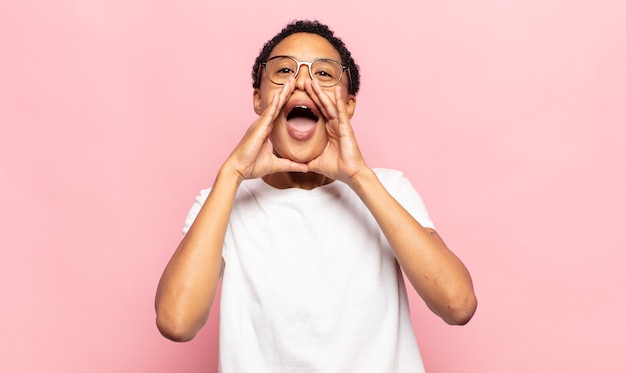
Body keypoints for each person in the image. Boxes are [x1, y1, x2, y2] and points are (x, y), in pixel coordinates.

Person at [155, 19, 477, 372]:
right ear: (258, 99)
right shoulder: (220, 202)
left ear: (349, 104)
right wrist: (231, 173)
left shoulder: (389, 188)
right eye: (284, 70)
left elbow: (457, 305)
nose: (303, 82)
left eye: (324, 74)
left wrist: (358, 176)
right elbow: (176, 322)